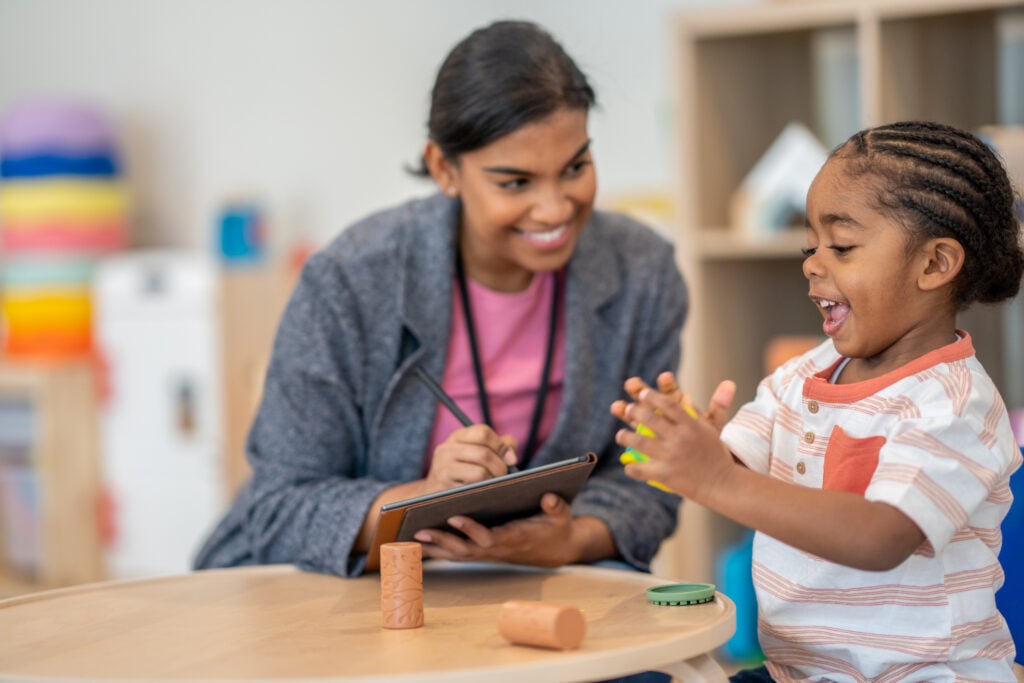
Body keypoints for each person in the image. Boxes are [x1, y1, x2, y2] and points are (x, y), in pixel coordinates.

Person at [194, 19, 690, 579]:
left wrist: (570, 540)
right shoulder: (351, 279)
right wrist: (422, 498)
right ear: (443, 169)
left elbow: (646, 483)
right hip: (333, 586)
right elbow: (279, 508)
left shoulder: (642, 272)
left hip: (536, 583)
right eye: (515, 183)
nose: (554, 209)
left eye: (575, 168)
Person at [612, 120, 1023, 682]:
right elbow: (736, 468)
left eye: (842, 246)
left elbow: (882, 536)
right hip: (798, 671)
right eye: (811, 246)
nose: (811, 262)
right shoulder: (803, 375)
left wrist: (718, 479)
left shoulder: (955, 404)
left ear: (934, 264)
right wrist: (686, 450)